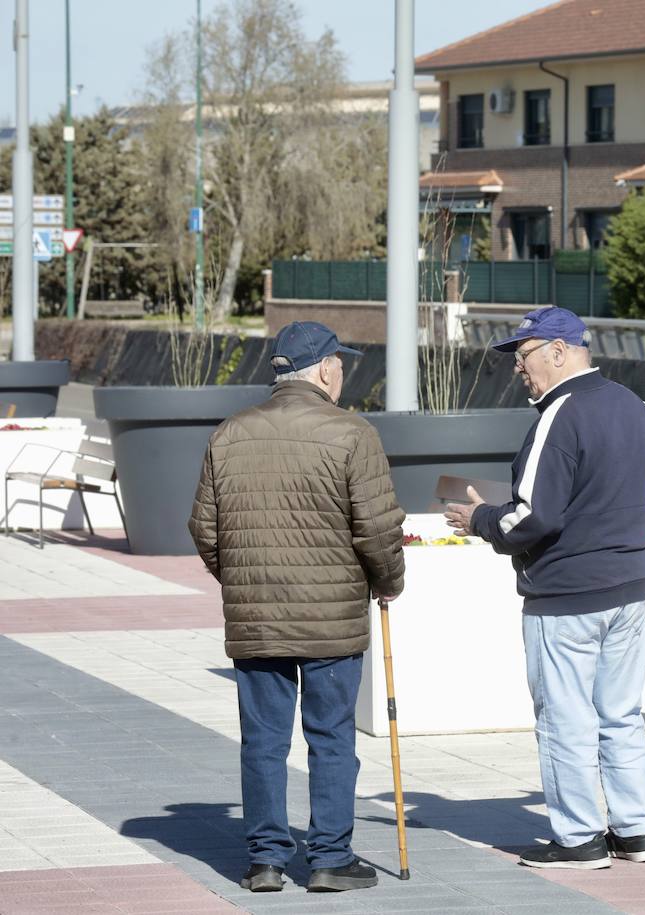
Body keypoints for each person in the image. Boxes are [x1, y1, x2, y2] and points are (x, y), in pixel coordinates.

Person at [443, 306, 645, 871]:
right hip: (628, 589)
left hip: (567, 596)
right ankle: (635, 832)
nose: (518, 370)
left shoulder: (557, 415)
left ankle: (578, 840)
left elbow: (533, 518)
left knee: (564, 718)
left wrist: (479, 518)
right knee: (620, 714)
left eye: (523, 357)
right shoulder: (632, 402)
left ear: (558, 350)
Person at [188, 321, 405, 894]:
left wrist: (240, 580)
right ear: (327, 369)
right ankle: (330, 857)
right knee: (330, 735)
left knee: (263, 739)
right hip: (331, 617)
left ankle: (265, 860)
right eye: (341, 365)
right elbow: (378, 529)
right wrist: (389, 582)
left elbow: (204, 530)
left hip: (257, 617)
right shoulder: (352, 433)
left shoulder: (229, 434)